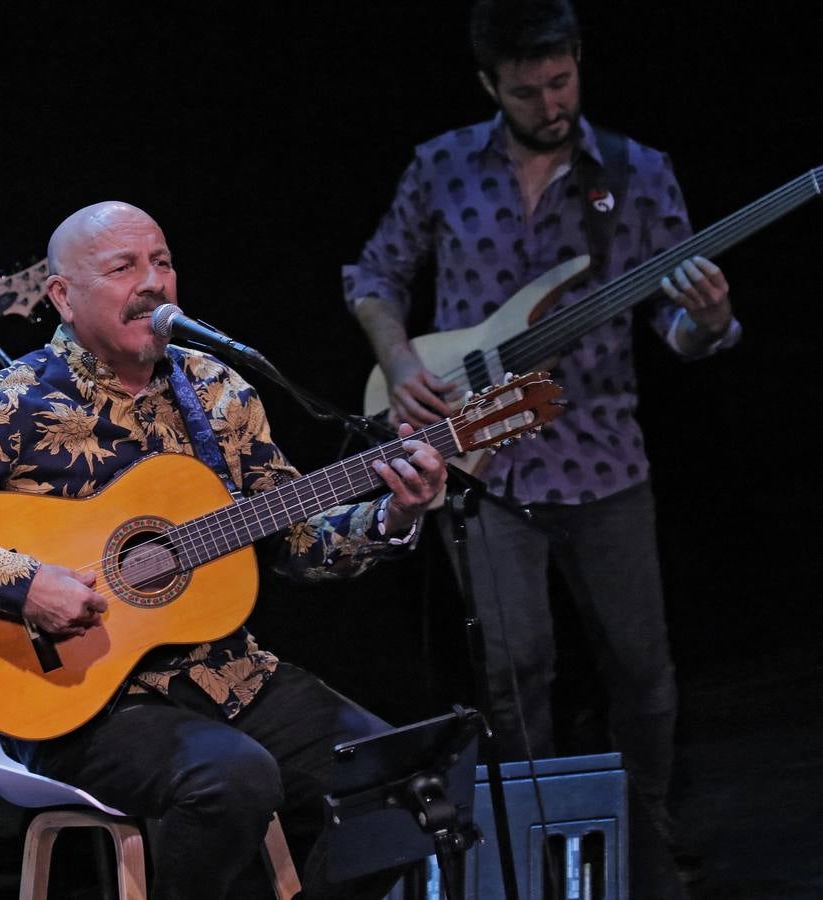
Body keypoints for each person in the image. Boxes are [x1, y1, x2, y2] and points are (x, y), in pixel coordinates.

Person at [0, 200, 449, 898]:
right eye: (124, 266)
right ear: (63, 297)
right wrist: (26, 582)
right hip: (84, 702)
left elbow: (297, 542)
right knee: (233, 779)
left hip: (227, 675)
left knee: (402, 779)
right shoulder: (19, 401)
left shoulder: (220, 391)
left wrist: (395, 514)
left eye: (161, 262)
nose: (152, 281)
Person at [341, 0, 740, 894]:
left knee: (642, 668)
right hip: (480, 465)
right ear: (491, 85)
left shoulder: (636, 175)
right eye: (527, 90)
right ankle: (542, 842)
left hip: (601, 460)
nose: (550, 102)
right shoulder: (441, 165)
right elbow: (372, 275)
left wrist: (706, 322)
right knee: (514, 668)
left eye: (561, 81)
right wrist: (400, 359)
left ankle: (643, 835)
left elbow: (676, 325)